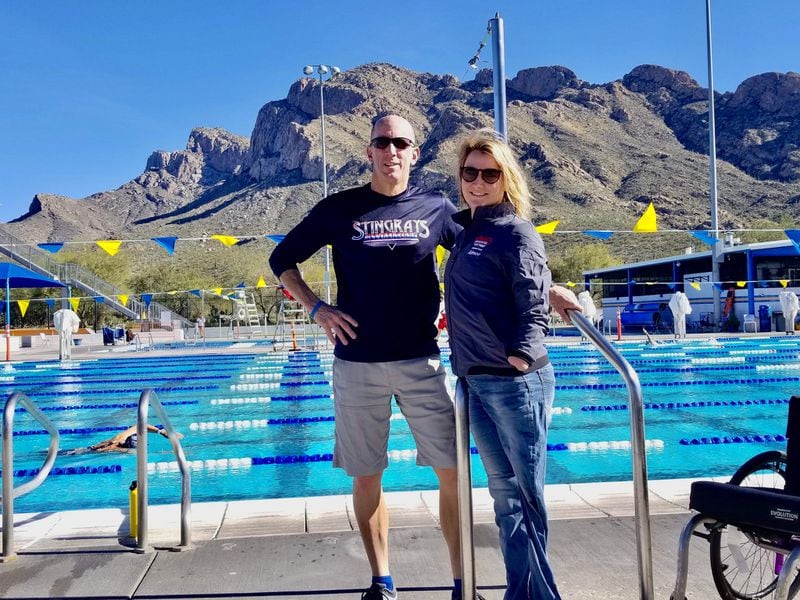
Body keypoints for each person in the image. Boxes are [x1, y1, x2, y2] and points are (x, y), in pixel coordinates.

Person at [269, 114, 465, 600]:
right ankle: (382, 580)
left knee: (453, 472)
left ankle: (464, 580)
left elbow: (481, 255)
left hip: (422, 361)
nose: (391, 150)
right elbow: (281, 260)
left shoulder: (437, 207)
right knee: (367, 473)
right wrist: (317, 308)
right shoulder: (340, 208)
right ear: (369, 151)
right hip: (356, 364)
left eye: (401, 142)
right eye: (382, 142)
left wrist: (549, 290)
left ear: (415, 152)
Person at [444, 129, 570, 600]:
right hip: (476, 383)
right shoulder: (469, 231)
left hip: (515, 382)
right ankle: (522, 594)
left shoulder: (516, 231)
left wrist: (517, 356)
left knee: (525, 499)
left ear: (505, 178)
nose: (478, 181)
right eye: (470, 172)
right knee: (505, 498)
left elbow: (532, 300)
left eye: (489, 173)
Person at [61, 424, 182, 455]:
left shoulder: (121, 437)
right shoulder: (122, 449)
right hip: (82, 453)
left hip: (83, 450)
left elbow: (141, 425)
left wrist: (160, 431)